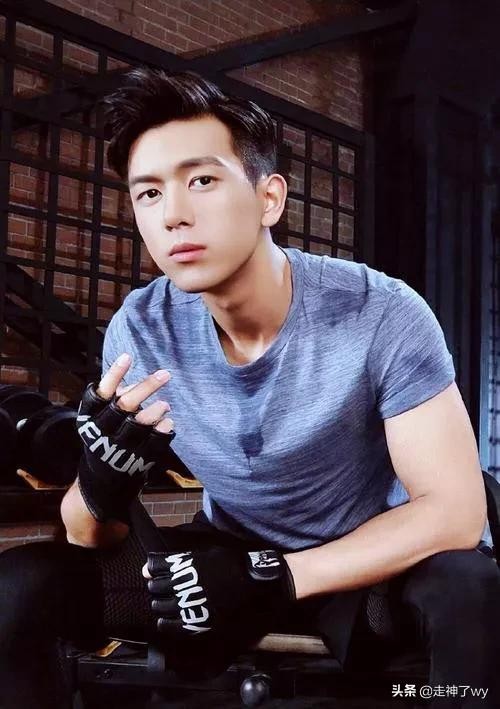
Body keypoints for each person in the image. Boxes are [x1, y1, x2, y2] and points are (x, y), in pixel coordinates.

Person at [0, 68, 499, 709]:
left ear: (269, 199)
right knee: (21, 587)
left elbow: (456, 513)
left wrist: (274, 577)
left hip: (365, 562)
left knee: (468, 590)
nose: (174, 215)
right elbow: (87, 538)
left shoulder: (380, 312)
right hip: (225, 561)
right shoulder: (141, 328)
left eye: (201, 181)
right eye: (148, 193)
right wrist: (100, 484)